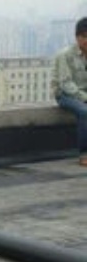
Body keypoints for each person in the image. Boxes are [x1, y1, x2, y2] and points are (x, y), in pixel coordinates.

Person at [52, 17, 87, 166]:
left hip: (83, 94)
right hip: (65, 94)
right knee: (84, 111)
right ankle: (84, 154)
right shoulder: (65, 55)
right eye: (85, 36)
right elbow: (66, 84)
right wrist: (85, 98)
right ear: (77, 37)